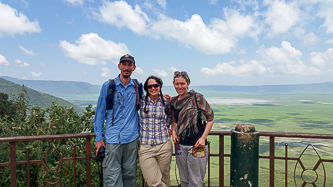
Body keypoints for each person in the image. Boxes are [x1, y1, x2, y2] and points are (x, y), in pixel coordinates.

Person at [94, 54, 141, 187]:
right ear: (119, 66)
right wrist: (99, 138)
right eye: (124, 64)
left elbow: (148, 102)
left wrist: (166, 98)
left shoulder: (137, 87)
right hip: (113, 138)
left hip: (131, 138)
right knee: (112, 176)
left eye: (129, 65)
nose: (127, 67)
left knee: (130, 176)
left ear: (134, 67)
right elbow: (100, 113)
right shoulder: (108, 86)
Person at [171, 71, 214, 187]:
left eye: (182, 83)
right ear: (174, 84)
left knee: (195, 181)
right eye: (177, 84)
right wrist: (174, 132)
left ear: (188, 83)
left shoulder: (197, 98)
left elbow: (211, 118)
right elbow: (174, 121)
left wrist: (203, 138)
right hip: (180, 146)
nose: (179, 86)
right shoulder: (174, 101)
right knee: (184, 181)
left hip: (197, 146)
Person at [138, 75, 173, 187]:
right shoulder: (141, 102)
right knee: (153, 182)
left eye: (155, 85)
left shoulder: (166, 101)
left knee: (165, 178)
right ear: (146, 88)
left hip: (164, 145)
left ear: (160, 86)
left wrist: (167, 126)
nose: (153, 88)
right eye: (149, 86)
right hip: (145, 146)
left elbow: (170, 116)